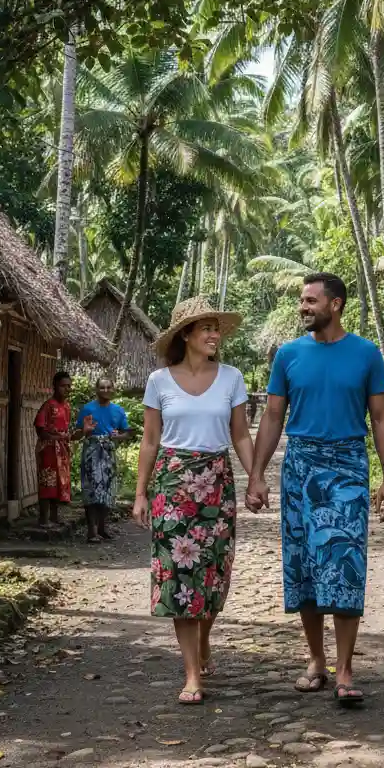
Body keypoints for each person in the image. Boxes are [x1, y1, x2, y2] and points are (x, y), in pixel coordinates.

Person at [247, 273, 384, 707]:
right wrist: (257, 474)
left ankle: (346, 669)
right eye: (302, 300)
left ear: (335, 305)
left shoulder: (366, 354)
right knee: (305, 566)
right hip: (300, 467)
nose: (303, 307)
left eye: (311, 300)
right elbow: (273, 417)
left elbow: (382, 418)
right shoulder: (289, 355)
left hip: (349, 464)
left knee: (346, 562)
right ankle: (316, 661)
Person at [132, 297, 254, 705]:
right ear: (186, 334)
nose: (214, 334)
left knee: (214, 574)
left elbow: (240, 435)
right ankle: (191, 675)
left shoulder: (232, 377)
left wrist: (255, 477)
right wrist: (140, 494)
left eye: (216, 327)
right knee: (180, 576)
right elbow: (150, 441)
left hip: (217, 483)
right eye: (205, 328)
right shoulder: (159, 381)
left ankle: (206, 636)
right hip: (172, 485)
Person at [74, 377, 131, 543]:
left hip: (108, 451)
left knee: (108, 489)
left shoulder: (118, 410)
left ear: (113, 389)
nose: (105, 391)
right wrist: (85, 430)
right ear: (96, 390)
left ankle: (102, 528)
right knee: (90, 489)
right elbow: (76, 433)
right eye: (102, 388)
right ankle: (91, 530)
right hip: (91, 450)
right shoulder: (87, 409)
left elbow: (127, 432)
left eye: (108, 387)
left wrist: (118, 435)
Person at [34, 372, 84, 527]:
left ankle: (55, 517)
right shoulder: (48, 406)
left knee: (59, 483)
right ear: (55, 386)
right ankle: (43, 519)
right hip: (48, 449)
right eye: (63, 386)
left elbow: (67, 431)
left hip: (62, 450)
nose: (67, 389)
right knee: (47, 482)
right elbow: (40, 428)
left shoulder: (67, 407)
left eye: (69, 386)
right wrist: (56, 438)